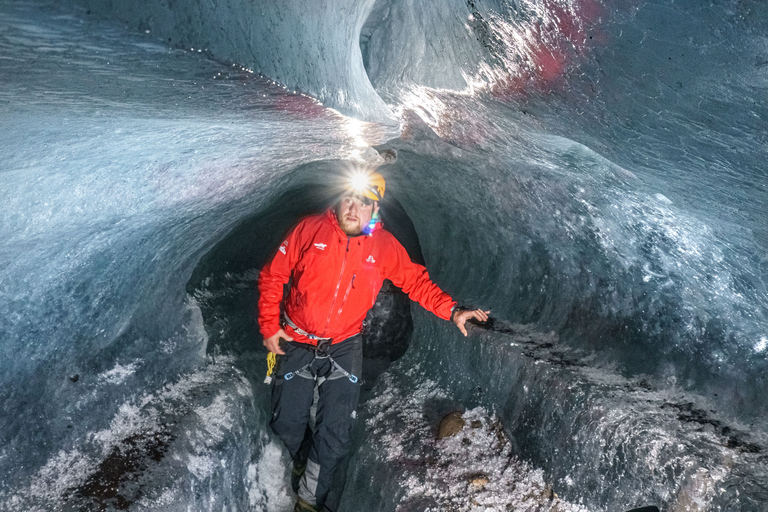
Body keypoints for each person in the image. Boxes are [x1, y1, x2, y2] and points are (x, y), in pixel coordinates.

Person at [257, 169, 488, 512]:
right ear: (339, 199)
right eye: (349, 199)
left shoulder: (383, 246)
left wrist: (452, 310)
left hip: (344, 345)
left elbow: (416, 282)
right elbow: (273, 275)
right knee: (286, 423)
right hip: (296, 338)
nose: (354, 208)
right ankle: (303, 458)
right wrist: (269, 326)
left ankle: (308, 500)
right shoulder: (310, 229)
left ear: (375, 209)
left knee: (335, 434)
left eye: (364, 202)